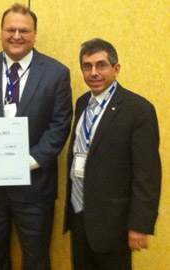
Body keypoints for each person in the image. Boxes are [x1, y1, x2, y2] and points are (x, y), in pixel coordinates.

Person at [0, 3, 73, 270]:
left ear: (35, 34)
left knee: (36, 259)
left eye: (24, 30)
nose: (16, 36)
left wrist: (25, 162)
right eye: (10, 30)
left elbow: (60, 126)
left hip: (35, 188)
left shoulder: (56, 73)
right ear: (0, 32)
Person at [63, 38, 161, 270]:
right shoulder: (82, 103)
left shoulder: (138, 110)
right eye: (87, 66)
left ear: (116, 69)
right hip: (80, 215)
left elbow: (147, 173)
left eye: (101, 65)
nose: (93, 72)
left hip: (114, 224)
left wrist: (139, 225)